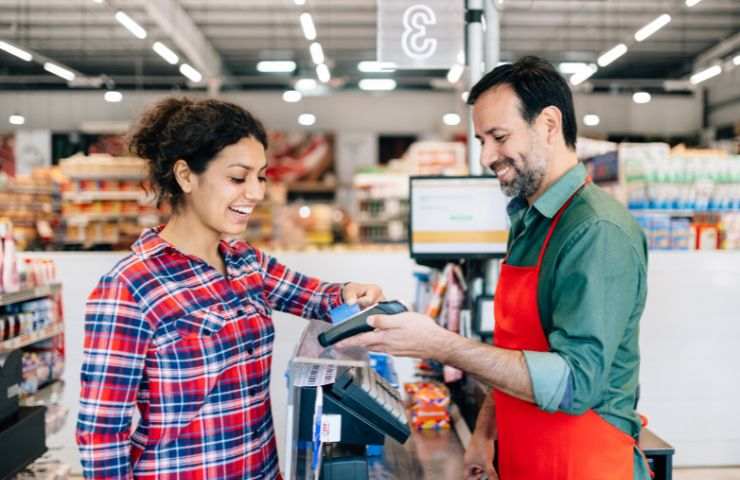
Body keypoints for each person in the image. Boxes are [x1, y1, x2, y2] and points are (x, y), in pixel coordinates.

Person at [337, 56, 651, 480]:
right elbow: (516, 349)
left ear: (549, 124)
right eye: (482, 139)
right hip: (527, 456)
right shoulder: (530, 220)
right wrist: (485, 433)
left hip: (583, 462)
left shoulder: (596, 230)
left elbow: (577, 382)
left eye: (499, 137)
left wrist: (440, 344)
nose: (486, 155)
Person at [75, 97, 383, 479]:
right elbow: (101, 434)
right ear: (186, 176)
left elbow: (315, 296)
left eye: (261, 176)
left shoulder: (244, 261)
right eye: (238, 178)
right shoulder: (130, 287)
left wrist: (353, 291)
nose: (255, 192)